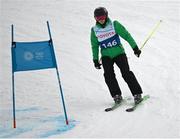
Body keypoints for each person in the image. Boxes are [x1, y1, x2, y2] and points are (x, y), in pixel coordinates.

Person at [90, 7, 143, 104]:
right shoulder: (94, 30)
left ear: (106, 16)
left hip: (119, 53)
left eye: (102, 16)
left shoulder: (114, 25)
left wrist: (135, 48)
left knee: (126, 73)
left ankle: (137, 94)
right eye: (98, 18)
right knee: (108, 75)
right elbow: (94, 46)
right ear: (95, 18)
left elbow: (126, 35)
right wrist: (95, 60)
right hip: (106, 56)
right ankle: (116, 95)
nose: (101, 19)